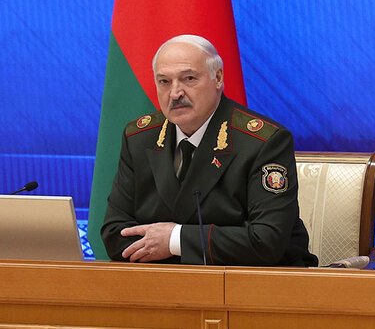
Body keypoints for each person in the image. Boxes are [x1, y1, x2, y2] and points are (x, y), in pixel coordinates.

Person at [101, 34, 317, 266]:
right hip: (164, 281)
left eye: (189, 78)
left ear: (218, 78)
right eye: (164, 82)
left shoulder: (263, 142)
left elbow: (266, 241)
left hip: (253, 281)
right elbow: (114, 234)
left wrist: (174, 240)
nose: (175, 93)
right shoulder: (140, 137)